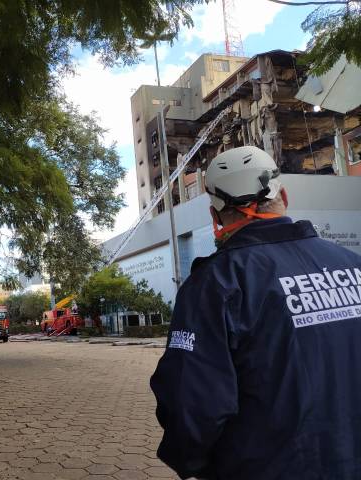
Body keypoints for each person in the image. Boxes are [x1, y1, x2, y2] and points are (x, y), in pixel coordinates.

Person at [150, 146, 361, 480]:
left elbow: (191, 402)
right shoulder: (353, 265)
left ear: (215, 216)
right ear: (284, 196)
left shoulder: (217, 283)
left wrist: (193, 461)